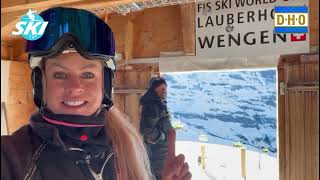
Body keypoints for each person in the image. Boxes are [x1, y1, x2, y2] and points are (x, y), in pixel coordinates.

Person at [1, 7, 191, 180]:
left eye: (88, 74)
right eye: (59, 74)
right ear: (40, 84)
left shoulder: (121, 147)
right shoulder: (14, 157)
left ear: (105, 85)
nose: (75, 87)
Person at [140, 77, 177, 180]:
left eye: (165, 88)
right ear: (153, 89)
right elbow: (147, 131)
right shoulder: (153, 106)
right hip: (156, 154)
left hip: (161, 153)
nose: (164, 91)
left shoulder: (158, 104)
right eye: (161, 88)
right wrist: (163, 137)